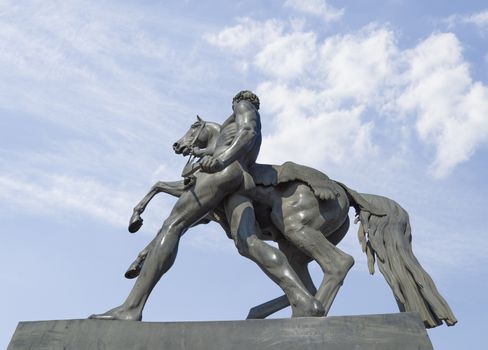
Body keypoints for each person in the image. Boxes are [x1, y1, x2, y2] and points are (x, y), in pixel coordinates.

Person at [90, 91, 324, 320]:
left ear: (239, 100)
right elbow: (232, 140)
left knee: (173, 225)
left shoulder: (243, 106)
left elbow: (247, 132)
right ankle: (304, 300)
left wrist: (222, 159)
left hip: (223, 172)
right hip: (241, 180)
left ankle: (131, 307)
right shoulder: (233, 127)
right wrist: (202, 151)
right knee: (248, 243)